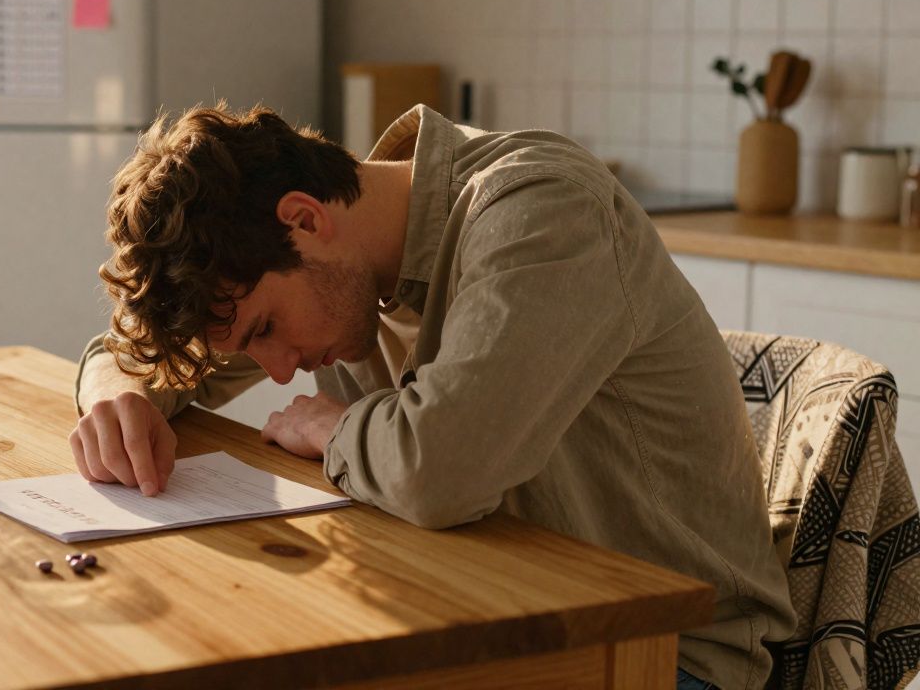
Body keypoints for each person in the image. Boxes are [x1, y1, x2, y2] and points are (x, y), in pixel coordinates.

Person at [70, 102, 794, 689]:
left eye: (267, 328)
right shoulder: (338, 260)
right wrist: (114, 395)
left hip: (663, 654)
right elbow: (128, 358)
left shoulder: (541, 209)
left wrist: (337, 427)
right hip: (491, 612)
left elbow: (440, 468)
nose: (281, 371)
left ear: (304, 220)